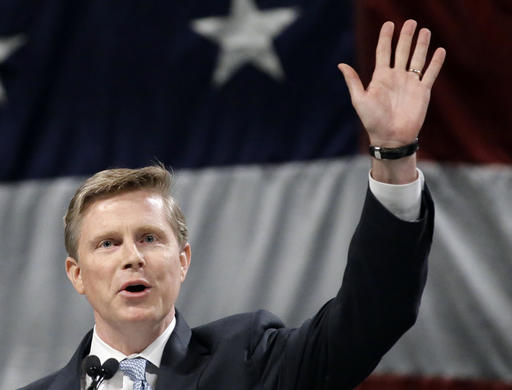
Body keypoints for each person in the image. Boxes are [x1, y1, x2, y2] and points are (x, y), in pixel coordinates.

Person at [20, 19, 445, 390]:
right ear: (76, 273)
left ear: (182, 259)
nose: (133, 257)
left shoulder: (251, 362)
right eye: (108, 244)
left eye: (149, 238)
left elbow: (372, 316)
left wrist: (394, 154)